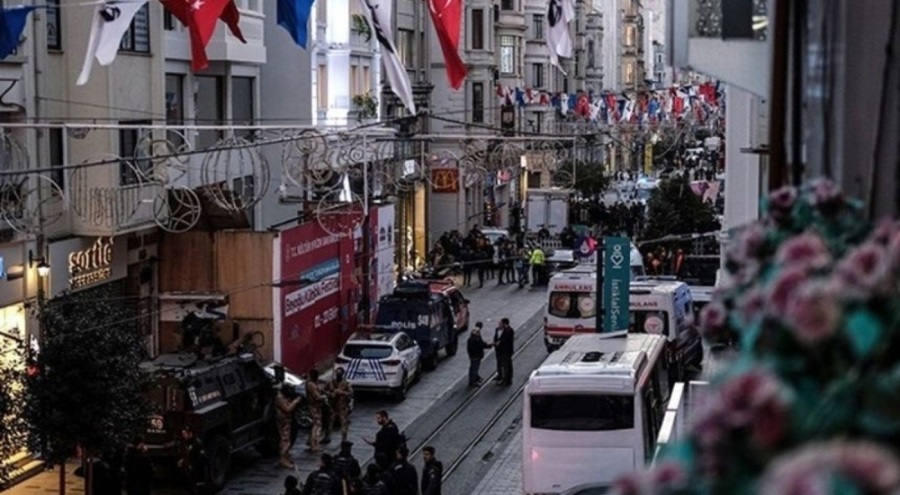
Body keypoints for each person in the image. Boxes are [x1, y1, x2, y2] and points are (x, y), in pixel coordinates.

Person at [276, 383, 303, 467]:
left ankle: (286, 457)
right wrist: (295, 401)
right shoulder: (279, 397)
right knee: (285, 440)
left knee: (288, 439)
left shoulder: (284, 396)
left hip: (287, 421)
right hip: (283, 421)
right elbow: (287, 409)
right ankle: (283, 459)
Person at [326, 367, 354, 443]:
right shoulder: (331, 382)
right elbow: (324, 390)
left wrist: (341, 392)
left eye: (340, 373)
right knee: (330, 422)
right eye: (337, 373)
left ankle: (344, 439)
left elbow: (351, 393)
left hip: (342, 406)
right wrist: (330, 394)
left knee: (344, 423)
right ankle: (327, 437)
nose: (338, 375)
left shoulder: (346, 383)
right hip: (333, 406)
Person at [177, 426, 206, 494]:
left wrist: (192, 465)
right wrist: (183, 460)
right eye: (183, 433)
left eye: (185, 433)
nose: (183, 435)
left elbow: (202, 459)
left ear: (190, 434)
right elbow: (184, 453)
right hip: (188, 471)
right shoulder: (184, 443)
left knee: (198, 490)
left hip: (197, 473)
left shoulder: (198, 444)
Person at [306, 369, 326, 453]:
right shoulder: (311, 384)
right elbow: (316, 397)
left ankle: (310, 441)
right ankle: (315, 444)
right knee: (317, 425)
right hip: (314, 407)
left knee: (314, 425)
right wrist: (324, 396)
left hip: (316, 407)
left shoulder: (314, 383)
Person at [466, 322, 492, 387]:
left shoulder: (471, 339)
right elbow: (481, 345)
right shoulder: (476, 340)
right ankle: (473, 381)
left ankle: (476, 377)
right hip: (476, 356)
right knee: (474, 368)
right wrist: (489, 345)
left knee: (474, 367)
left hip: (474, 356)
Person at [496, 318, 515, 386]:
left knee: (506, 366)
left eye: (501, 323)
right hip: (505, 351)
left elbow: (505, 339)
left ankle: (506, 380)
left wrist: (499, 342)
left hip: (506, 351)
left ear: (504, 323)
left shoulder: (508, 330)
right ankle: (506, 379)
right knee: (507, 365)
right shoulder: (507, 330)